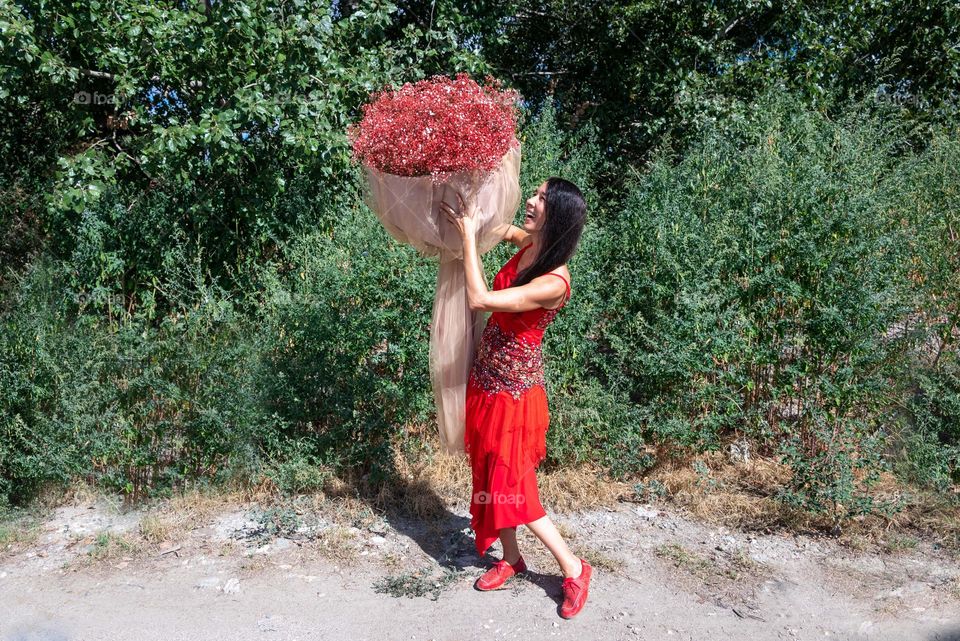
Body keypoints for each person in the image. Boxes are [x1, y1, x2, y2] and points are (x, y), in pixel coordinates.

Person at [440, 177, 591, 619]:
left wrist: (468, 237)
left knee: (515, 490)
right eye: (535, 191)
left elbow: (479, 297)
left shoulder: (555, 281)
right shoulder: (532, 243)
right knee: (489, 473)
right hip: (488, 380)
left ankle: (575, 568)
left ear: (558, 213)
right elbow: (502, 229)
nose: (531, 199)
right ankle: (511, 558)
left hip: (515, 394)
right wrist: (464, 207)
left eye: (541, 198)